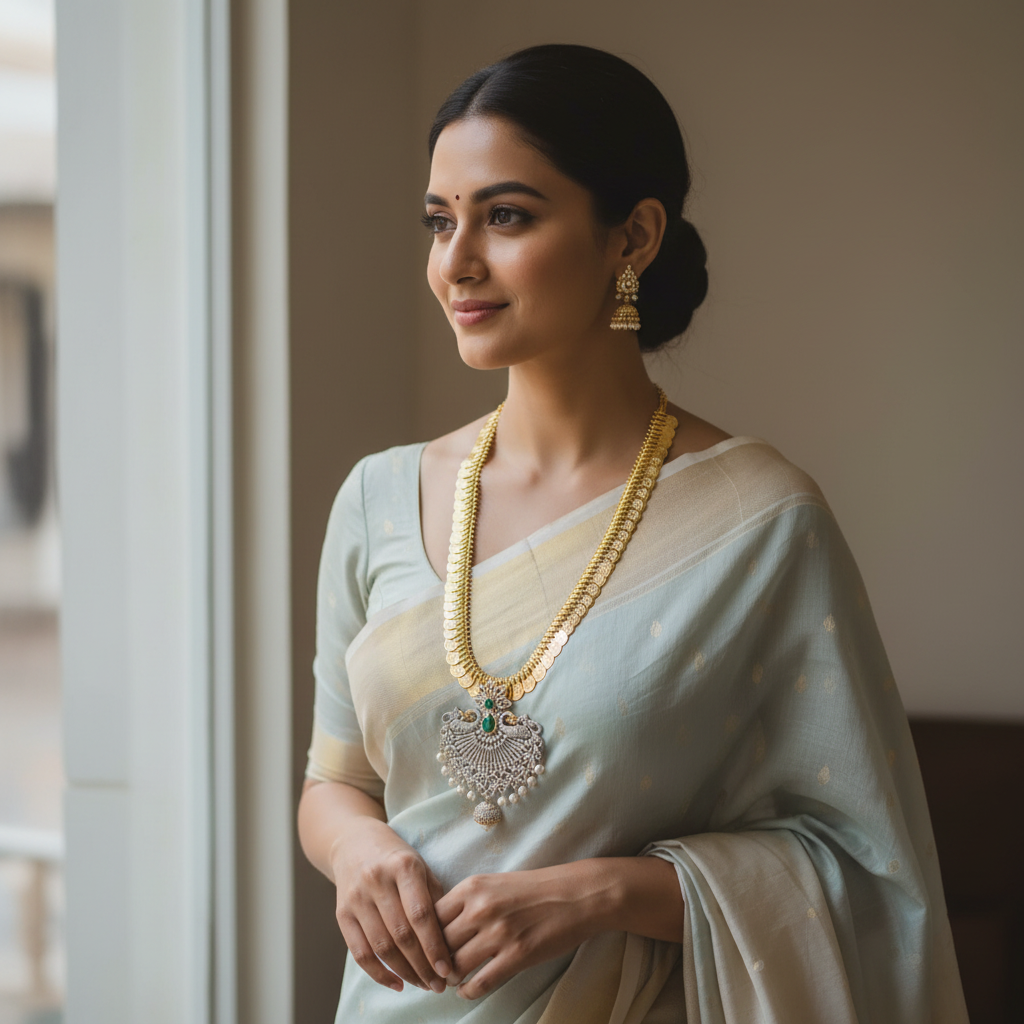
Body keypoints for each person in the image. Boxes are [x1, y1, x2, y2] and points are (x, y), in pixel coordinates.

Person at [297, 43, 967, 1023]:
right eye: (439, 221)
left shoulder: (758, 521)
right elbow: (334, 783)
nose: (456, 262)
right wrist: (360, 852)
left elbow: (862, 866)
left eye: (507, 216)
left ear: (633, 237)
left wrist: (596, 892)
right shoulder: (378, 497)